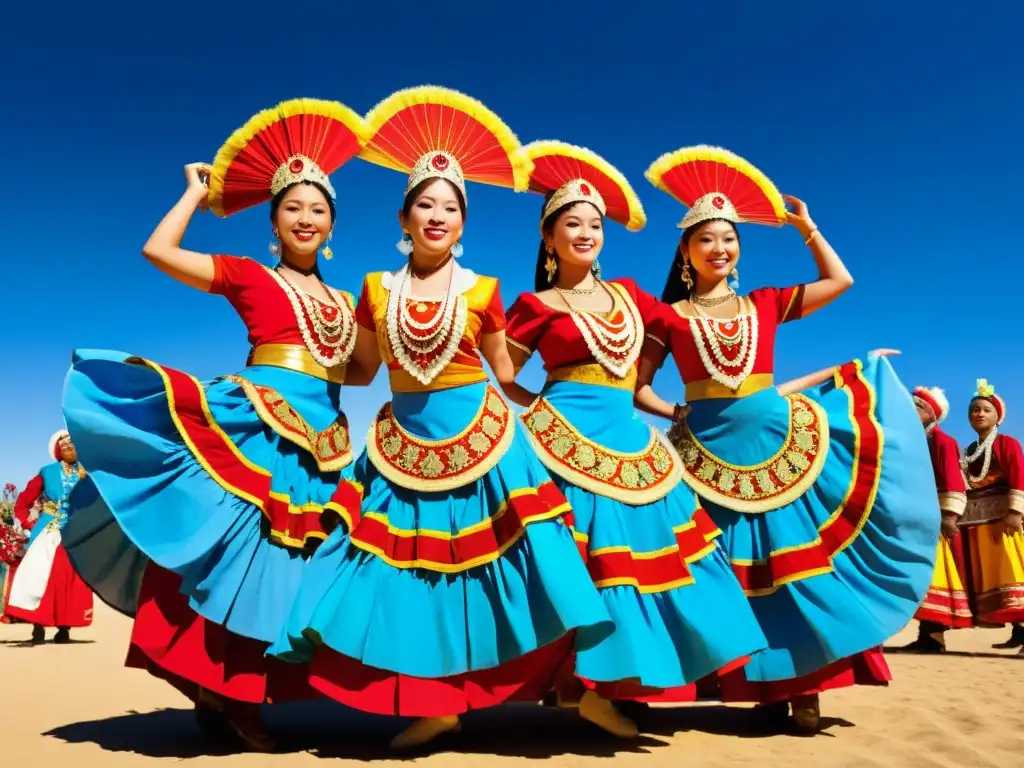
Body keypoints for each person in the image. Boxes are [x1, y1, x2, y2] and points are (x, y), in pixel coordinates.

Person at [270, 86, 612, 750]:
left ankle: (566, 683)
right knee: (405, 577)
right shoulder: (374, 288)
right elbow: (363, 371)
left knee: (513, 566)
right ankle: (434, 704)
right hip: (401, 443)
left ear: (463, 222)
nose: (437, 215)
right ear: (404, 215)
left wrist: (556, 413)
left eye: (450, 207)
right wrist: (291, 379)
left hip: (483, 437)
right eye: (425, 203)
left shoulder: (484, 290)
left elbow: (504, 373)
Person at [60, 98, 367, 751]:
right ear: (274, 224)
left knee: (305, 566)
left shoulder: (347, 302)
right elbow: (157, 250)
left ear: (332, 225)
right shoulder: (248, 274)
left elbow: (363, 372)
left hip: (324, 439)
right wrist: (194, 196)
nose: (305, 217)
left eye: (317, 208)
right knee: (235, 557)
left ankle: (240, 690)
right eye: (293, 208)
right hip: (256, 423)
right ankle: (222, 688)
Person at [636, 145, 938, 732]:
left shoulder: (766, 302)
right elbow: (638, 389)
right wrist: (679, 412)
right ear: (685, 250)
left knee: (791, 568)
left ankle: (807, 688)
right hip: (704, 454)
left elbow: (840, 280)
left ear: (739, 248)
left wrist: (807, 227)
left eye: (729, 238)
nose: (719, 248)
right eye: (706, 240)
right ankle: (752, 683)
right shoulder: (666, 318)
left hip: (777, 446)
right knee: (723, 573)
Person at [501, 140, 767, 736]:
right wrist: (536, 410)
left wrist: (712, 247)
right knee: (572, 562)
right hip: (561, 436)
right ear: (549, 238)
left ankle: (606, 686)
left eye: (595, 223)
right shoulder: (534, 303)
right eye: (571, 223)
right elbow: (503, 371)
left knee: (648, 563)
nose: (585, 232)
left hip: (628, 440)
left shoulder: (631, 295)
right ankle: (569, 687)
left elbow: (691, 318)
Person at [5, 431, 93, 643]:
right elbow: (23, 502)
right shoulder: (47, 472)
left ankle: (64, 627)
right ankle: (38, 625)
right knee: (40, 575)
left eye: (74, 445)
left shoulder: (87, 473)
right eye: (66, 446)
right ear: (58, 452)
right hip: (47, 530)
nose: (71, 449)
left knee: (69, 579)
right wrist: (28, 525)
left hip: (75, 532)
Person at [902, 386, 972, 651]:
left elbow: (953, 482)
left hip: (936, 520)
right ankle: (926, 635)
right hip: (917, 519)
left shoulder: (942, 442)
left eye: (918, 406)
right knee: (923, 577)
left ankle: (934, 637)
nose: (911, 409)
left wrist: (949, 516)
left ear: (932, 413)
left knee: (935, 576)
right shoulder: (913, 441)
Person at [958, 380, 1024, 655]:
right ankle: (1018, 633)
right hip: (979, 525)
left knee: (1014, 572)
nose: (979, 414)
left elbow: (1019, 476)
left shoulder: (1007, 444)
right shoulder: (969, 452)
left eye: (986, 409)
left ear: (998, 416)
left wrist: (1014, 512)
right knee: (996, 579)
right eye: (975, 409)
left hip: (1004, 522)